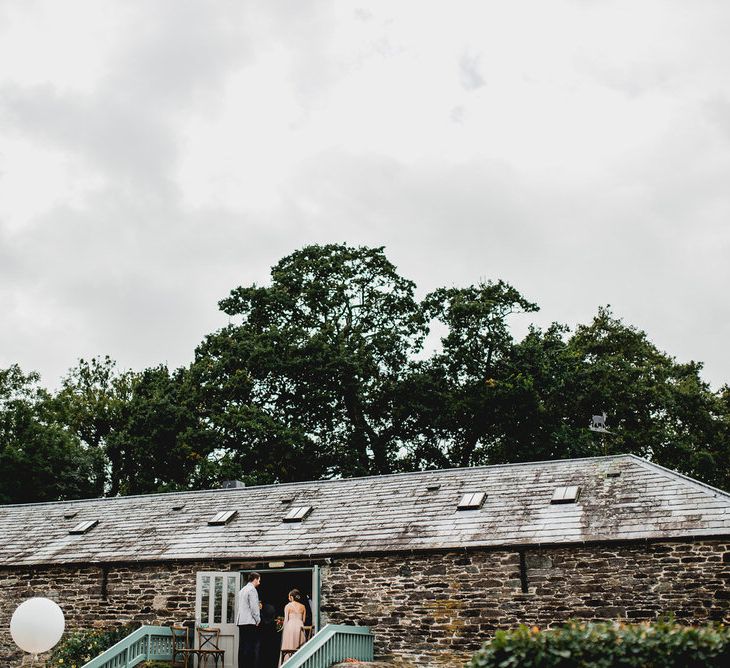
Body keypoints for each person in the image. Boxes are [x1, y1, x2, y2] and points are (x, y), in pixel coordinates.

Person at [236, 571, 261, 668]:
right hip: (249, 621)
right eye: (259, 580)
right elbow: (254, 607)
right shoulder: (252, 590)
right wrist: (258, 619)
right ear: (255, 579)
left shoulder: (242, 590)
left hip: (241, 621)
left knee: (242, 646)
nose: (259, 582)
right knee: (249, 646)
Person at [279, 589, 307, 666]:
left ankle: (288, 664)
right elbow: (303, 620)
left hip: (290, 627)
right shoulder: (303, 606)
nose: (288, 598)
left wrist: (282, 629)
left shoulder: (287, 606)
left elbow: (286, 620)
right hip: (300, 627)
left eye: (289, 596)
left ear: (291, 597)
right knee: (299, 647)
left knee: (289, 646)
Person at [258, 601, 279, 668]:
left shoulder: (264, 610)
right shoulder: (271, 608)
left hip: (264, 633)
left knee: (263, 651)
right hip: (271, 633)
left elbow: (264, 621)